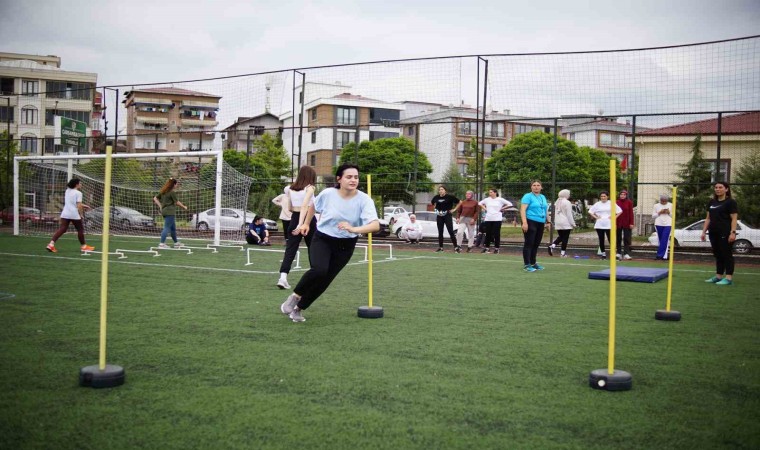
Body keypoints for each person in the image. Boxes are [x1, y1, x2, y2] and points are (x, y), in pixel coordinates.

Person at [280, 164, 380, 322]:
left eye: (356, 177)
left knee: (325, 279)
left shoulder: (364, 200)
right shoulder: (328, 194)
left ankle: (299, 309)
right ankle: (295, 296)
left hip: (346, 245)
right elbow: (313, 206)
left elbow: (375, 225)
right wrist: (306, 223)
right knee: (319, 270)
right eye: (349, 177)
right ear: (339, 179)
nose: (353, 180)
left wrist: (354, 229)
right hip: (323, 239)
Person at [277, 165, 318, 290]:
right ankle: (315, 278)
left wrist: (297, 222)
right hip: (308, 220)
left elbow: (289, 207)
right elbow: (305, 206)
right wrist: (302, 224)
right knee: (314, 248)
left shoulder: (290, 189)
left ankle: (283, 277)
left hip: (294, 218)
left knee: (290, 250)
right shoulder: (310, 188)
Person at [701, 181, 738, 286]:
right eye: (716, 187)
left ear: (726, 189)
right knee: (718, 255)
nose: (717, 189)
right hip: (713, 232)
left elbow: (734, 219)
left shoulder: (730, 202)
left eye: (720, 187)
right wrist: (703, 232)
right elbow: (708, 218)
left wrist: (733, 232)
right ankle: (718, 276)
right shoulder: (712, 202)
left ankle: (729, 278)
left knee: (726, 254)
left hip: (725, 232)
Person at [46, 178, 95, 253]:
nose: (81, 184)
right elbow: (78, 205)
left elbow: (72, 202)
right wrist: (81, 214)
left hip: (65, 213)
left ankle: (51, 244)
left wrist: (84, 206)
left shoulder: (67, 191)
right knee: (80, 229)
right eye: (80, 183)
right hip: (73, 213)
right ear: (76, 184)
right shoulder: (78, 193)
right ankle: (84, 246)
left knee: (62, 229)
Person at [520, 180, 550, 272]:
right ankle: (527, 264)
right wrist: (524, 223)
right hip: (530, 221)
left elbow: (545, 210)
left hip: (540, 222)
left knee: (536, 244)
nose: (536, 187)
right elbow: (522, 210)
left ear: (541, 187)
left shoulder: (542, 197)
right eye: (534, 185)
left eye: (538, 185)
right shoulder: (527, 196)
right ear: (531, 187)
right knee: (529, 243)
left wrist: (548, 222)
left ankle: (533, 263)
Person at [153, 177, 188, 249]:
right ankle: (162, 244)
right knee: (166, 228)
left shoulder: (163, 191)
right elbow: (177, 202)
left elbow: (155, 198)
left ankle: (176, 243)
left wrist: (160, 206)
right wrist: (184, 207)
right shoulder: (172, 192)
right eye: (176, 184)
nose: (177, 185)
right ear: (173, 184)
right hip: (170, 212)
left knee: (173, 228)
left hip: (164, 211)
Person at [588, 191, 622, 260]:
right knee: (601, 239)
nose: (603, 197)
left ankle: (614, 254)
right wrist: (596, 217)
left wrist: (614, 217)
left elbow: (620, 211)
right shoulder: (597, 204)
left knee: (611, 240)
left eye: (604, 196)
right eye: (601, 196)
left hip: (609, 224)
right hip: (600, 224)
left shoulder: (611, 203)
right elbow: (590, 211)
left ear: (607, 196)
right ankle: (603, 254)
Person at [478, 188, 512, 254]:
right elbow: (479, 203)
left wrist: (502, 208)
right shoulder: (487, 199)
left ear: (495, 193)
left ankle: (497, 248)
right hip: (488, 219)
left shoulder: (500, 199)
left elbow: (510, 204)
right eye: (489, 192)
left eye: (491, 192)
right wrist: (485, 208)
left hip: (497, 219)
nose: (490, 193)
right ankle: (487, 248)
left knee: (496, 234)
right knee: (488, 234)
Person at [430, 186, 460, 253]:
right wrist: (436, 209)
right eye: (439, 190)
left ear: (445, 191)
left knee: (451, 232)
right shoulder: (436, 197)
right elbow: (432, 203)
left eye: (442, 189)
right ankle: (441, 248)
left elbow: (460, 202)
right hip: (439, 216)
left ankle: (456, 248)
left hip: (447, 215)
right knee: (440, 232)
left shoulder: (450, 197)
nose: (440, 191)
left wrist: (454, 209)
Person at [548, 189, 575, 257]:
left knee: (561, 237)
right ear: (566, 194)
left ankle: (552, 245)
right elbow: (569, 214)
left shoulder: (557, 202)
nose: (569, 195)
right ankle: (562, 253)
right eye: (568, 194)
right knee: (565, 238)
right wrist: (573, 223)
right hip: (566, 223)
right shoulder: (567, 202)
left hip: (558, 222)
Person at [652, 194, 673, 260]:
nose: (664, 202)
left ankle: (660, 255)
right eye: (662, 201)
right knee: (661, 240)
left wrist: (669, 212)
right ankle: (664, 256)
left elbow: (673, 216)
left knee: (665, 239)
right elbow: (653, 216)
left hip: (668, 224)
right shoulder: (656, 206)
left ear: (667, 200)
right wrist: (659, 212)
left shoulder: (671, 205)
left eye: (665, 201)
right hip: (658, 224)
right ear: (660, 200)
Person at [615, 189, 635, 260]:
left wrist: (631, 223)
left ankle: (626, 253)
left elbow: (631, 214)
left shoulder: (629, 202)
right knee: (618, 238)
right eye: (621, 194)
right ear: (619, 195)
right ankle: (618, 253)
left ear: (626, 196)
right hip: (618, 223)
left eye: (624, 195)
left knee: (626, 238)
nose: (622, 196)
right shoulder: (616, 202)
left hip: (627, 223)